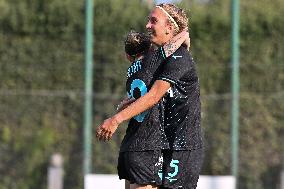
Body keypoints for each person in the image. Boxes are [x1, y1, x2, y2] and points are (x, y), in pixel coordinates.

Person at [96, 3, 203, 189]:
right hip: (163, 145)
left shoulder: (158, 61)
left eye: (153, 21)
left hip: (169, 145)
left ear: (169, 28)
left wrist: (117, 116)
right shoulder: (168, 58)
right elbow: (153, 95)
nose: (147, 26)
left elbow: (153, 95)